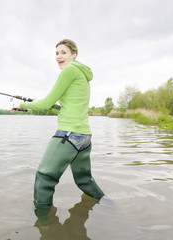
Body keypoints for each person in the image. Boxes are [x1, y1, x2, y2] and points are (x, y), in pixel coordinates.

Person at [11, 39, 104, 210]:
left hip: (69, 135)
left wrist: (23, 105)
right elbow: (65, 109)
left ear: (74, 54)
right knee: (85, 180)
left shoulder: (69, 70)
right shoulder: (82, 74)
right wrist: (40, 103)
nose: (59, 56)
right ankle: (109, 206)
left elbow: (46, 103)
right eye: (56, 53)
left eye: (64, 52)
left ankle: (42, 222)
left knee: (44, 177)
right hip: (84, 137)